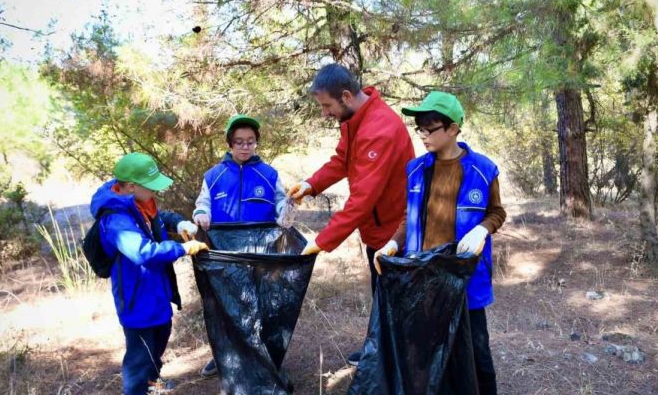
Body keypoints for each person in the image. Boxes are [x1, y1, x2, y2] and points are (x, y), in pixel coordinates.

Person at [373, 91, 506, 395]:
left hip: (464, 279)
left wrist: (482, 230)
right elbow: (409, 218)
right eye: (418, 128)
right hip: (423, 278)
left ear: (453, 128)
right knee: (427, 353)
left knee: (476, 354)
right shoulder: (416, 170)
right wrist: (393, 244)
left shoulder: (482, 170)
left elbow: (497, 212)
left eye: (430, 129)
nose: (422, 135)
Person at [288, 63, 415, 366]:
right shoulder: (355, 119)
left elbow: (361, 199)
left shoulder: (380, 129)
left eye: (326, 105)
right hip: (375, 229)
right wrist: (310, 185)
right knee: (381, 295)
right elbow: (342, 160)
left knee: (395, 300)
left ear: (345, 96)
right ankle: (380, 354)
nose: (324, 113)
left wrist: (321, 241)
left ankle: (399, 368)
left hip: (394, 233)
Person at [89, 152, 208, 395]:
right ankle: (137, 390)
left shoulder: (137, 202)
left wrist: (178, 223)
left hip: (156, 291)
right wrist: (182, 248)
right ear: (131, 186)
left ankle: (152, 384)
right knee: (139, 358)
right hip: (136, 298)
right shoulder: (115, 219)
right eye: (151, 186)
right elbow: (142, 251)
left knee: (160, 339)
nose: (156, 191)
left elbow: (156, 219)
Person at [192, 114, 293, 377]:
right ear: (230, 144)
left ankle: (264, 358)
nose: (245, 147)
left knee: (261, 305)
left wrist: (286, 211)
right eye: (239, 142)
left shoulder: (268, 174)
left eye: (250, 141)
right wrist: (200, 214)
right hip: (224, 254)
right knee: (227, 306)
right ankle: (224, 355)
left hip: (260, 254)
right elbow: (202, 203)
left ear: (256, 143)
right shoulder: (213, 175)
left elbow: (281, 203)